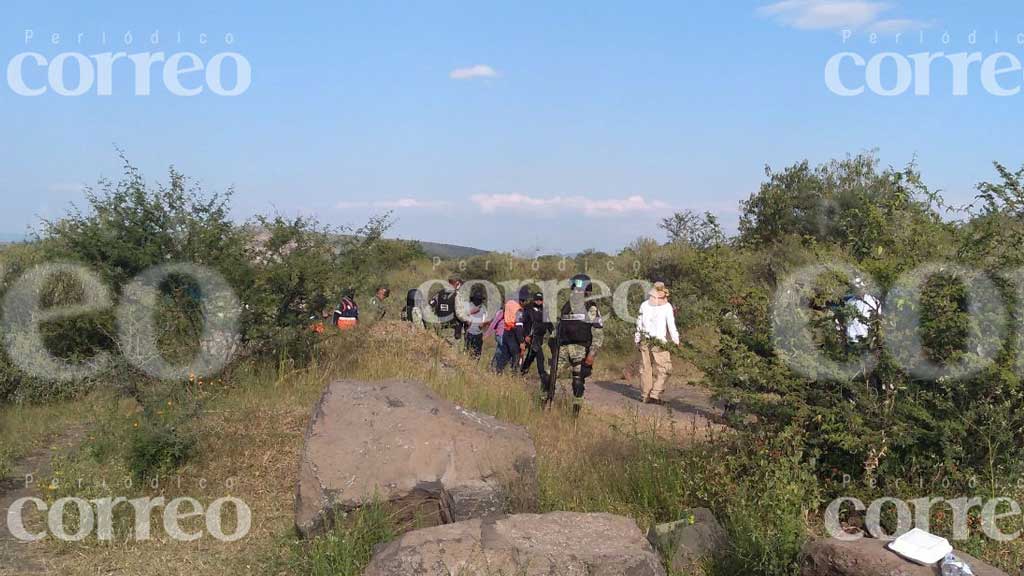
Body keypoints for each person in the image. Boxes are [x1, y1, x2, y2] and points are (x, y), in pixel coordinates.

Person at [546, 274, 603, 416]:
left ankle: (575, 414)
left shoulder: (591, 308)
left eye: (578, 289)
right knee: (549, 377)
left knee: (578, 382)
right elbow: (559, 327)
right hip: (563, 348)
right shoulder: (567, 306)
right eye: (574, 289)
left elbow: (598, 333)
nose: (575, 292)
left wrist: (591, 355)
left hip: (580, 349)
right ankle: (544, 405)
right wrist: (553, 344)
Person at [634, 281, 680, 405]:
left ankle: (645, 395)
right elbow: (671, 324)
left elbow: (639, 323)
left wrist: (637, 338)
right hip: (659, 341)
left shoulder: (644, 305)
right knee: (666, 369)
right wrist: (676, 340)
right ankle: (655, 394)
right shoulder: (667, 306)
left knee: (645, 368)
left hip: (645, 340)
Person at [520, 291, 552, 382]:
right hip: (529, 337)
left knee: (531, 356)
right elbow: (521, 323)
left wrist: (553, 333)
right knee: (539, 355)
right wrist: (525, 336)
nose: (538, 301)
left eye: (540, 300)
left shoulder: (544, 310)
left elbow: (549, 324)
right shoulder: (528, 309)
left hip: (538, 338)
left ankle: (523, 371)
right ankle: (542, 375)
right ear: (534, 300)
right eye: (537, 299)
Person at [495, 288, 527, 374]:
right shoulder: (519, 310)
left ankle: (497, 373)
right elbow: (518, 326)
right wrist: (521, 341)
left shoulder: (508, 303)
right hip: (514, 334)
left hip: (505, 332)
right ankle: (513, 376)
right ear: (522, 300)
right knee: (516, 356)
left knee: (504, 355)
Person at [429, 275, 465, 344]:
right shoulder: (457, 295)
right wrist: (467, 320)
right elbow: (459, 314)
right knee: (454, 353)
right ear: (457, 283)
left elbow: (430, 305)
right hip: (454, 331)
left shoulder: (439, 293)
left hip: (440, 330)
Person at [465, 290, 487, 359]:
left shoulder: (483, 307)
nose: (478, 301)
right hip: (469, 332)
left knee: (477, 353)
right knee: (467, 351)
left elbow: (486, 318)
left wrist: (483, 323)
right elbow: (463, 316)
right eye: (477, 299)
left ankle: (474, 365)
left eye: (480, 299)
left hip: (478, 333)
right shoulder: (469, 305)